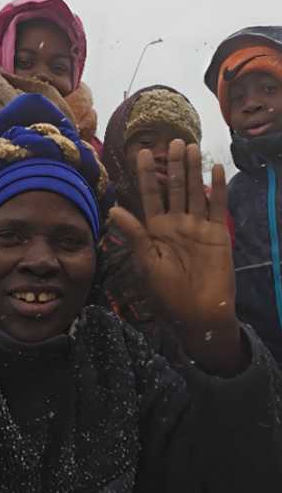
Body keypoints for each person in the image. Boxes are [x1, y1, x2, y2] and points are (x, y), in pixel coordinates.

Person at [0, 93, 282, 491]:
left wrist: (214, 338)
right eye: (11, 236)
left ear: (93, 258)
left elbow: (237, 476)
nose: (41, 260)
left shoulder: (123, 367)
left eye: (69, 241)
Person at [203, 25, 282, 490]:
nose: (251, 104)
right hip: (267, 397)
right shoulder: (231, 195)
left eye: (269, 89)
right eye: (237, 97)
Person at [0, 0, 104, 284]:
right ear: (1, 59)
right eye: (24, 61)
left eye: (58, 67)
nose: (42, 74)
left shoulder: (91, 149)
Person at [98, 84, 234, 361]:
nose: (162, 154)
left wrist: (216, 333)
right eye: (146, 142)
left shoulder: (211, 232)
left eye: (177, 145)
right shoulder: (92, 224)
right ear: (118, 149)